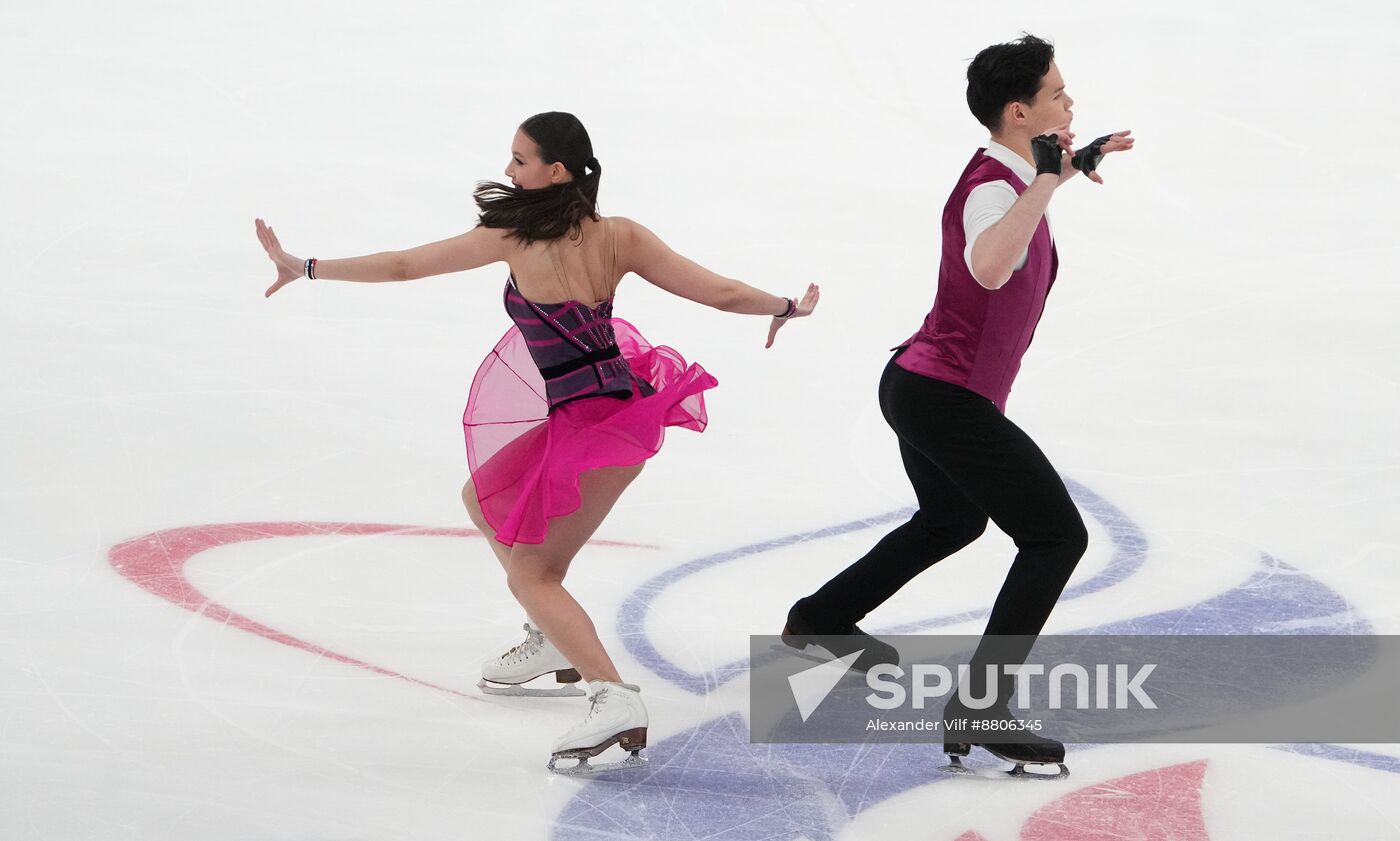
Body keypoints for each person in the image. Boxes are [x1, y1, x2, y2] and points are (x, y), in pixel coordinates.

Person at [256, 111, 819, 774]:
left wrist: (309, 267)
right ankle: (553, 635)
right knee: (482, 496)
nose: (509, 170)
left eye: (520, 160)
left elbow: (407, 266)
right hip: (617, 411)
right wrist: (785, 307)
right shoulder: (621, 236)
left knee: (533, 572)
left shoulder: (515, 237)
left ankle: (614, 695)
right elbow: (720, 293)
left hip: (595, 428)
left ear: (555, 171)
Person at [780, 35, 1133, 774]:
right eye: (1058, 95)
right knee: (1055, 536)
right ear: (1019, 112)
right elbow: (990, 262)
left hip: (927, 386)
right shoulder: (993, 189)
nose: (1071, 103)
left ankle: (820, 620)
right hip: (942, 395)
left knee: (952, 519)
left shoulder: (1013, 175)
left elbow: (1017, 211)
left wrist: (1064, 170)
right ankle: (983, 702)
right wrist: (1046, 181)